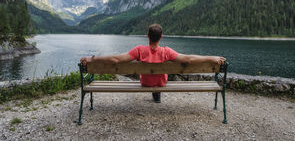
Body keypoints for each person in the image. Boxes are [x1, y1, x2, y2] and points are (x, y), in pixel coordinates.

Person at [80, 24, 226, 103]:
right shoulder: (167, 51)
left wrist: (92, 59)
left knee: (147, 75)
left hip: (145, 83)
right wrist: (211, 58)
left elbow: (115, 60)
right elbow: (189, 60)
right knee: (160, 76)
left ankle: (154, 91)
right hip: (161, 83)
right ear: (161, 37)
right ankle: (157, 94)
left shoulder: (139, 50)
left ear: (147, 36)